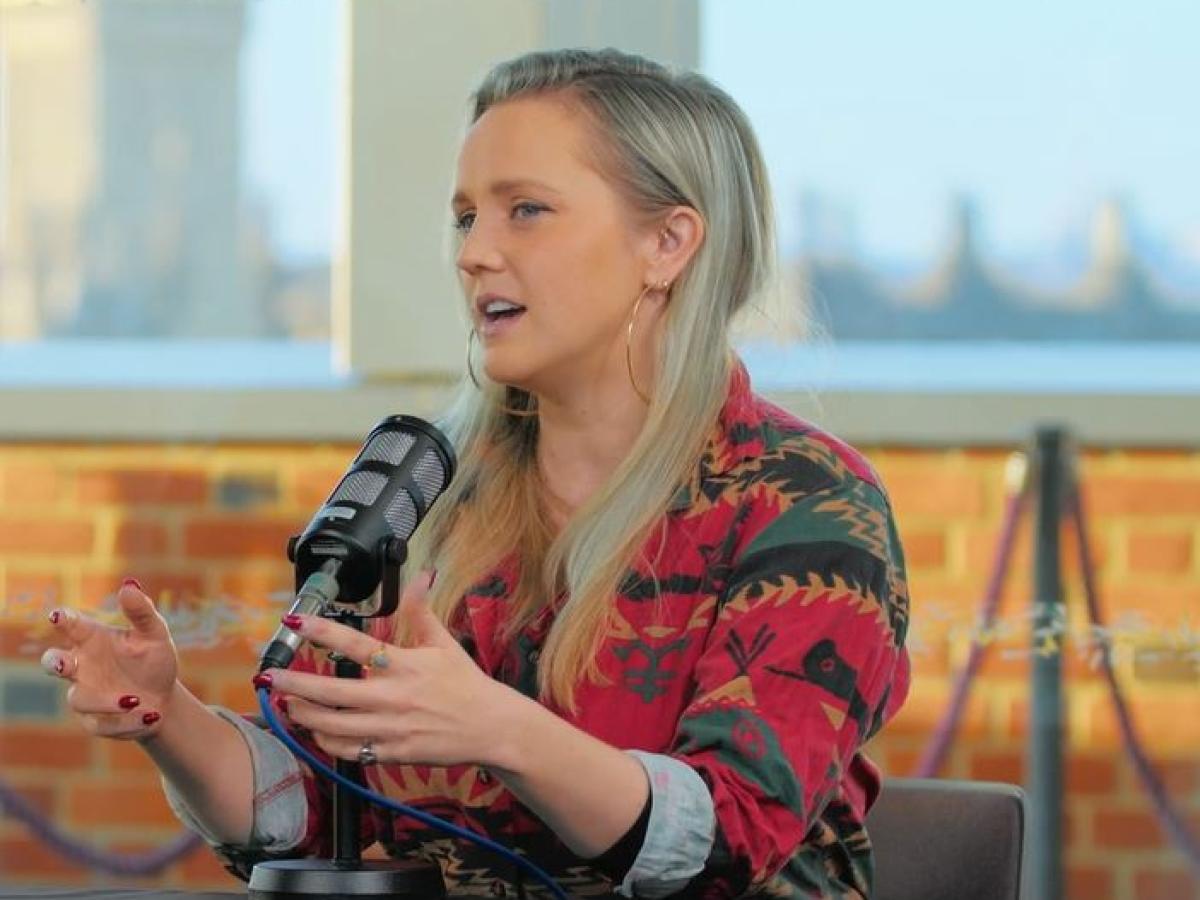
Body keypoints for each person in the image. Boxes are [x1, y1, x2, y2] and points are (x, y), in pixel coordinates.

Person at [42, 48, 911, 898]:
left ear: (668, 242)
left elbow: (725, 839)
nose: (473, 254)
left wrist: (501, 732)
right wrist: (169, 718)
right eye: (466, 218)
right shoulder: (431, 496)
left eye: (525, 210)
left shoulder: (808, 505)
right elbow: (325, 816)